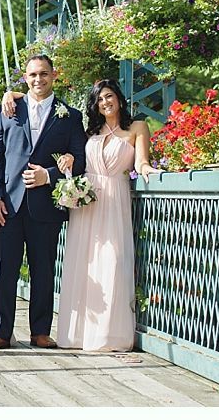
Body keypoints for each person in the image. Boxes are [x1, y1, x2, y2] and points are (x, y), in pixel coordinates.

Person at [0, 54, 87, 350]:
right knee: (3, 270)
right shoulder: (10, 110)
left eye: (43, 74)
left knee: (43, 270)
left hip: (46, 205)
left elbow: (79, 161)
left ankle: (40, 331)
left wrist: (49, 175)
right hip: (8, 205)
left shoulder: (71, 115)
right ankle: (0, 332)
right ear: (25, 79)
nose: (38, 79)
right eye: (32, 75)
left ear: (54, 75)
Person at [52, 79, 159, 351]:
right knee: (84, 265)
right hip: (87, 201)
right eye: (100, 99)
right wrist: (69, 160)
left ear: (119, 99)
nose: (105, 103)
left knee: (112, 263)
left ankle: (109, 334)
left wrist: (147, 169)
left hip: (114, 201)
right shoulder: (90, 132)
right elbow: (78, 159)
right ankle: (79, 334)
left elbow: (141, 161)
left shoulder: (137, 128)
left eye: (109, 96)